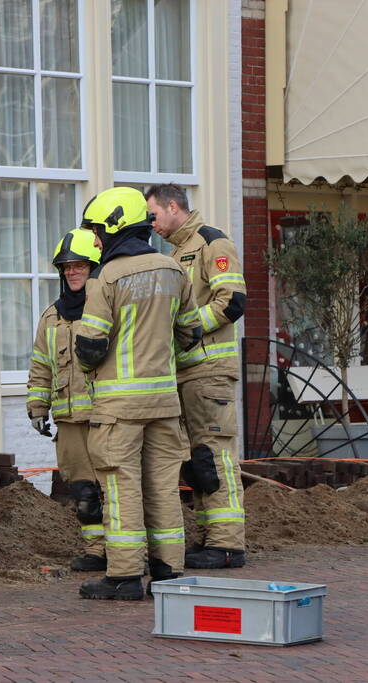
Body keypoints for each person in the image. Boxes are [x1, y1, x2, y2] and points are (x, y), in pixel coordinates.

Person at [74, 187, 202, 601]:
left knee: (121, 485)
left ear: (113, 225)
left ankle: (125, 576)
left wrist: (92, 369)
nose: (94, 240)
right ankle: (169, 572)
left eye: (96, 230)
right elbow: (192, 330)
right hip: (165, 402)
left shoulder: (106, 276)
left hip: (119, 407)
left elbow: (91, 344)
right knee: (164, 485)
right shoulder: (172, 269)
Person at [145, 183, 248, 569]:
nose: (150, 223)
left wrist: (188, 329)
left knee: (215, 456)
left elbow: (232, 301)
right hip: (188, 371)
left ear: (174, 206)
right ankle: (212, 538)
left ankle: (227, 544)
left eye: (153, 214)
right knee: (198, 461)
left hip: (210, 371)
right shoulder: (175, 253)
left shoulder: (212, 244)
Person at [26, 229, 108, 573]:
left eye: (79, 266)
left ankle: (128, 552)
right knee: (84, 492)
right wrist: (37, 407)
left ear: (94, 267)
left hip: (106, 417)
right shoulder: (52, 316)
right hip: (69, 421)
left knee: (116, 489)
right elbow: (41, 364)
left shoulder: (106, 307)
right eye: (66, 267)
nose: (71, 272)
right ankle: (96, 551)